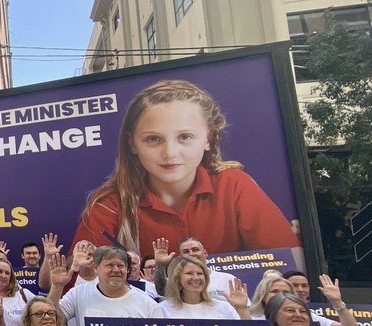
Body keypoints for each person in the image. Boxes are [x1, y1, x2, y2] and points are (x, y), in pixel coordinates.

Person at [74, 80, 300, 255]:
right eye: (153, 139)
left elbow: (289, 266)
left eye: (184, 137)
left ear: (208, 139)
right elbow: (76, 286)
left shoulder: (233, 185)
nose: (170, 152)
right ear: (132, 143)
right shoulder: (110, 205)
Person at [48, 247, 161, 326]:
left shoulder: (148, 304)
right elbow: (53, 319)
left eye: (121, 265)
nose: (116, 270)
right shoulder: (79, 293)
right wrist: (57, 287)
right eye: (109, 265)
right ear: (96, 268)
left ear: (127, 270)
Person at [158, 255, 249, 320]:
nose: (196, 278)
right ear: (177, 278)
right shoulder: (162, 309)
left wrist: (242, 309)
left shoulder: (223, 307)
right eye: (189, 273)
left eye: (200, 274)